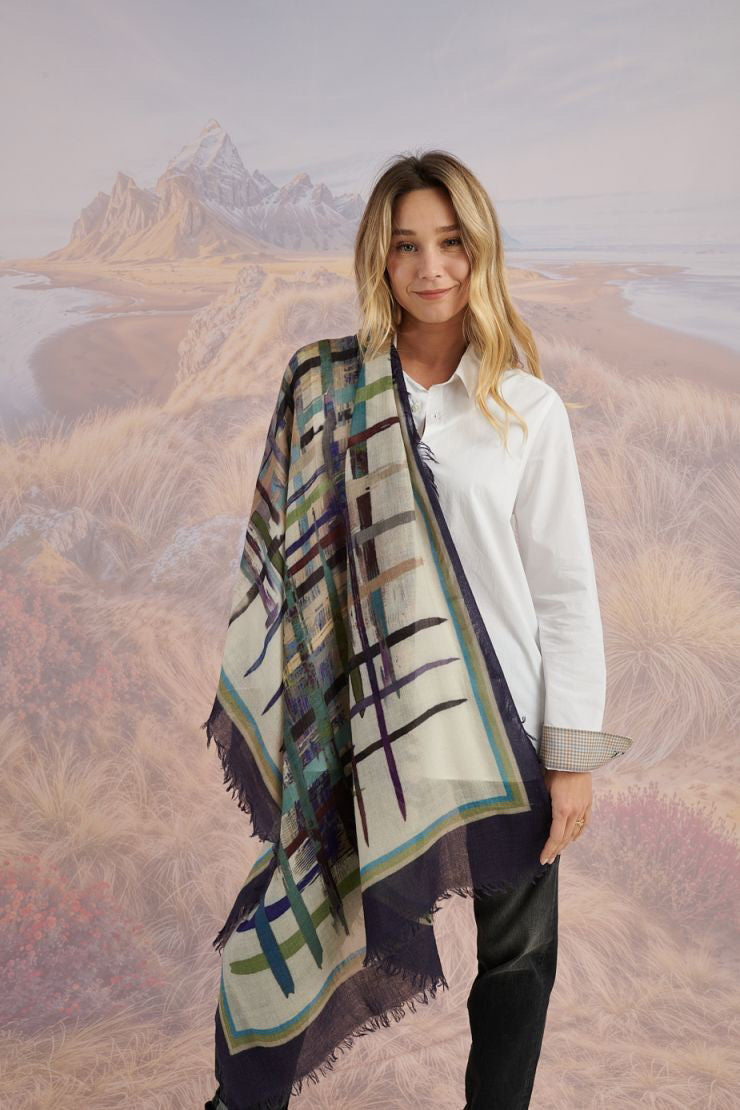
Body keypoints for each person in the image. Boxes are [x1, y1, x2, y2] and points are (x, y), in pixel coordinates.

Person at [204, 150, 632, 1110]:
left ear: (481, 255)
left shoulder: (527, 408)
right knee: (290, 928)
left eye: (452, 243)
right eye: (407, 246)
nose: (432, 266)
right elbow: (287, 562)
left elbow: (564, 592)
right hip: (371, 734)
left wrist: (572, 754)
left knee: (518, 965)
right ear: (379, 259)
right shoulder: (326, 391)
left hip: (505, 733)